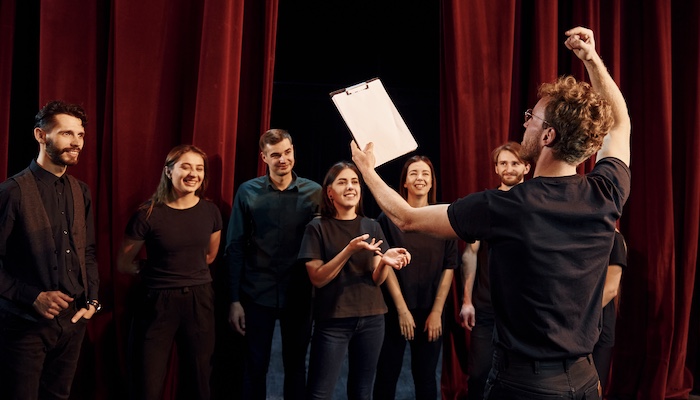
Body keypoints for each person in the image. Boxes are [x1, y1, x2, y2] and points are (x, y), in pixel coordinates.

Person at [351, 26, 630, 399]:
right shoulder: (606, 192)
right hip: (584, 379)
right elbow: (621, 123)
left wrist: (367, 170)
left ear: (548, 137)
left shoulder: (508, 206)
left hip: (526, 386)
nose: (526, 121)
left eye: (533, 117)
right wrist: (592, 60)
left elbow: (406, 218)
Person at [0, 100, 100, 399]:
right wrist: (34, 298)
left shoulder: (80, 190)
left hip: (72, 323)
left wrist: (92, 300)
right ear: (40, 136)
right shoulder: (11, 192)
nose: (76, 142)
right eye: (67, 133)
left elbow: (88, 251)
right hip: (24, 327)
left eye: (80, 135)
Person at [298, 161, 411, 400]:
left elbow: (377, 279)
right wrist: (348, 250)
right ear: (329, 192)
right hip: (333, 322)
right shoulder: (316, 227)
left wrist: (384, 262)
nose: (350, 187)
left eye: (354, 182)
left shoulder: (371, 225)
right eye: (342, 182)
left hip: (372, 319)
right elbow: (317, 278)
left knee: (362, 392)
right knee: (319, 393)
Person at [117, 144, 222, 400]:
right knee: (148, 383)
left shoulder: (211, 212)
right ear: (168, 171)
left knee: (198, 382)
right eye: (185, 166)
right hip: (157, 304)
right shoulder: (147, 214)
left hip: (199, 301)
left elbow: (209, 256)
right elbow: (123, 263)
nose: (193, 174)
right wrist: (156, 271)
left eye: (199, 168)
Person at [225, 129, 322, 399]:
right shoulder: (248, 192)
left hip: (300, 294)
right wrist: (234, 300)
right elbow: (234, 247)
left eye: (287, 152)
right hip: (257, 292)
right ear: (264, 157)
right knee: (255, 367)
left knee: (296, 367)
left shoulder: (315, 192)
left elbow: (327, 243)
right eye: (276, 154)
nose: (283, 159)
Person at [373, 155, 458, 400]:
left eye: (425, 174)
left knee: (425, 376)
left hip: (432, 309)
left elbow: (449, 267)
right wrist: (401, 310)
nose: (419, 178)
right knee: (387, 373)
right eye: (413, 174)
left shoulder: (445, 217)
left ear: (432, 183)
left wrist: (436, 312)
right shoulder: (388, 220)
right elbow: (385, 265)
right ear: (405, 183)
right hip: (394, 309)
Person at [458, 142, 530, 400]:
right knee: (479, 374)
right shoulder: (485, 204)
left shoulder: (535, 203)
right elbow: (471, 253)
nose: (508, 168)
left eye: (514, 163)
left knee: (519, 379)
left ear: (526, 166)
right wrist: (467, 301)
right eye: (503, 163)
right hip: (487, 308)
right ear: (496, 168)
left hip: (524, 310)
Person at [593, 229, 626, 394]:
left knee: (595, 389)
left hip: (599, 326)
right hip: (579, 329)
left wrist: (577, 316)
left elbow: (611, 289)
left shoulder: (615, 238)